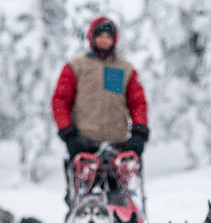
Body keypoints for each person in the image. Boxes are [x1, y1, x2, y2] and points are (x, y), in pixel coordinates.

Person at [51, 16, 150, 169]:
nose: (104, 40)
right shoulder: (76, 67)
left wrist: (139, 132)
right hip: (83, 144)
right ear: (92, 36)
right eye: (100, 36)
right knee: (83, 192)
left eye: (108, 37)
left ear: (114, 39)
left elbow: (138, 103)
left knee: (123, 192)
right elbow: (60, 101)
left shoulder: (125, 69)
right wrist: (68, 133)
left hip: (118, 145)